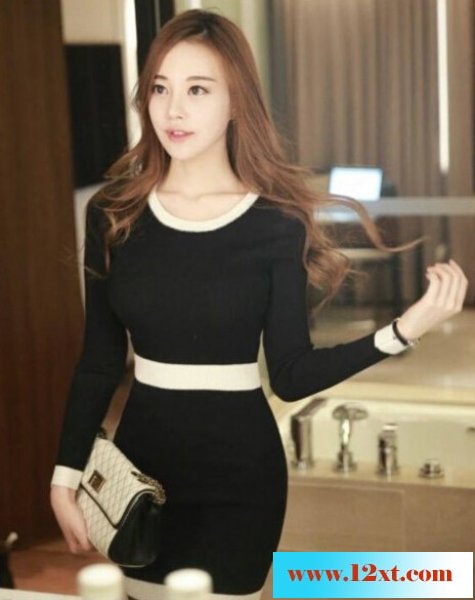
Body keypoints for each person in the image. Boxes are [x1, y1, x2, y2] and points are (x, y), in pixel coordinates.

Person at [50, 9, 468, 600]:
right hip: (139, 479)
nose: (174, 110)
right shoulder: (114, 215)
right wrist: (65, 474)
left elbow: (292, 375)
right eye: (161, 89)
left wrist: (404, 329)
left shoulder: (275, 223)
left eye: (198, 90)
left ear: (235, 102)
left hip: (241, 483)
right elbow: (98, 362)